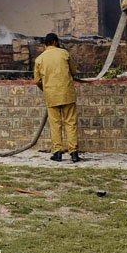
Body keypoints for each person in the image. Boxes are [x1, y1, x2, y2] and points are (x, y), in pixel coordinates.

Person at [33, 32, 82, 161]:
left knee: (55, 124)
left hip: (51, 96)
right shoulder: (64, 53)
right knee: (70, 123)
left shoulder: (39, 59)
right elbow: (74, 71)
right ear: (55, 42)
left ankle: (58, 152)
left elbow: (37, 80)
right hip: (67, 94)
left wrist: (46, 89)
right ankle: (74, 153)